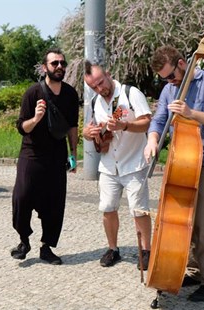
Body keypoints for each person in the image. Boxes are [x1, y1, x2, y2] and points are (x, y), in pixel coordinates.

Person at [144, 45, 204, 302]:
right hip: (180, 160)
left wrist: (192, 114)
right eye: (164, 79)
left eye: (171, 76)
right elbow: (159, 120)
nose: (169, 82)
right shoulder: (170, 89)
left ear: (183, 63)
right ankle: (193, 270)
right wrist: (152, 140)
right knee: (185, 222)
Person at [10, 48, 79, 265]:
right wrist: (36, 118)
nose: (59, 67)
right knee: (21, 197)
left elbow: (72, 127)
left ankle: (46, 247)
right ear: (44, 68)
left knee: (55, 203)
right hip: (31, 154)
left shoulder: (70, 94)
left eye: (62, 63)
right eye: (54, 63)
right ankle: (24, 240)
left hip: (56, 156)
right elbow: (22, 127)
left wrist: (74, 154)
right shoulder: (33, 93)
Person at [82, 61, 153, 269]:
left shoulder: (130, 93)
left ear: (108, 74)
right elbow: (90, 130)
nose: (99, 88)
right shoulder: (96, 101)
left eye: (100, 83)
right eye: (93, 86)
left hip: (133, 163)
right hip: (108, 165)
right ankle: (113, 249)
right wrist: (88, 134)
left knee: (139, 210)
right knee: (107, 208)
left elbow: (147, 122)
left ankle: (146, 251)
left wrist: (125, 125)